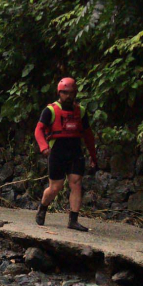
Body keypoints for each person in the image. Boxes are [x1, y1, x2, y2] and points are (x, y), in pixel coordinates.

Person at [34, 77, 99, 232]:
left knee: (76, 183)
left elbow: (88, 135)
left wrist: (93, 156)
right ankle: (43, 207)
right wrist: (43, 147)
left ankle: (73, 220)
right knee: (55, 187)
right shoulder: (50, 110)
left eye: (71, 93)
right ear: (59, 92)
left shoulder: (80, 112)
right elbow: (38, 130)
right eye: (65, 93)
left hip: (75, 151)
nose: (68, 96)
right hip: (57, 151)